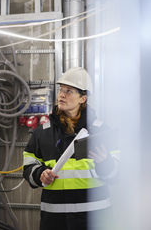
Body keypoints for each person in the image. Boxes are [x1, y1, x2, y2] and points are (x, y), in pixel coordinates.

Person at [23, 67, 120, 230]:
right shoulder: (42, 133)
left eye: (69, 91)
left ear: (83, 98)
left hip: (94, 220)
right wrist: (41, 174)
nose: (61, 94)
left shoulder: (101, 132)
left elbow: (117, 174)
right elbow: (28, 166)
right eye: (61, 90)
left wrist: (105, 162)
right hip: (54, 222)